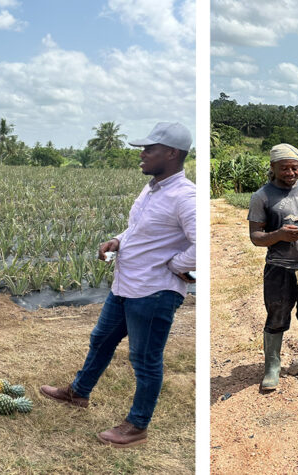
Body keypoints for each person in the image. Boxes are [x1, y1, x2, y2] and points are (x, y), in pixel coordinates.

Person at [40, 122, 195, 448]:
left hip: (153, 292)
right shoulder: (152, 189)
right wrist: (118, 240)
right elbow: (139, 230)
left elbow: (200, 246)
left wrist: (175, 265)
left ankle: (137, 426)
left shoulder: (186, 196)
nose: (142, 154)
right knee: (101, 340)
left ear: (171, 153)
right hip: (126, 285)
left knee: (145, 360)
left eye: (149, 149)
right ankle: (78, 393)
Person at [247, 143, 298, 391]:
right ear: (273, 168)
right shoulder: (262, 196)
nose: (290, 173)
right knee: (276, 317)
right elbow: (255, 237)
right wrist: (280, 235)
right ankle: (272, 368)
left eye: (295, 168)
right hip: (280, 267)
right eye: (284, 168)